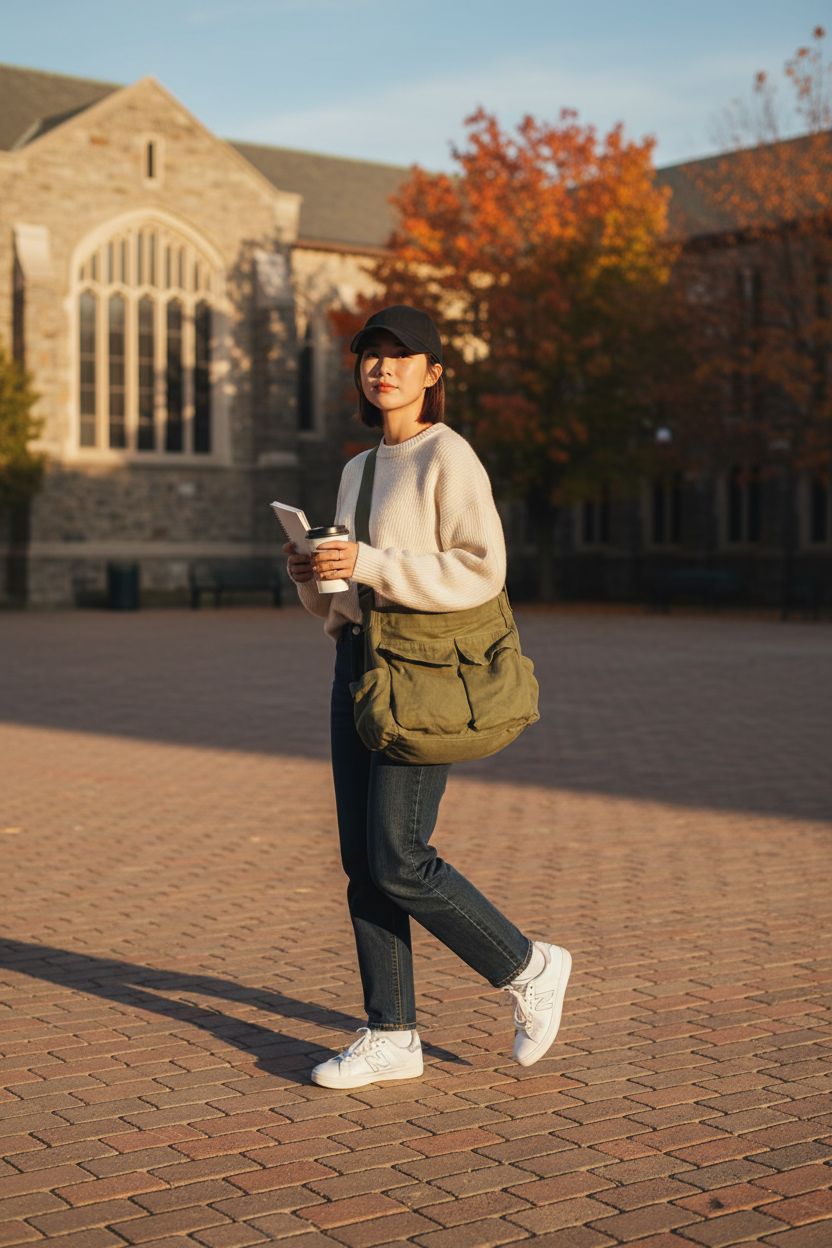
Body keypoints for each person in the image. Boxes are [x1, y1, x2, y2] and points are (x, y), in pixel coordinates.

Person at [283, 305, 571, 1089]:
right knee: (361, 861)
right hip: (358, 664)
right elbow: (350, 590)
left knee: (400, 857)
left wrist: (370, 563)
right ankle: (392, 1033)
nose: (383, 368)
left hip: (426, 673)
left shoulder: (451, 457)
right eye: (371, 356)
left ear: (433, 373)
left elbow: (481, 569)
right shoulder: (358, 468)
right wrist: (317, 576)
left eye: (401, 357)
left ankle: (529, 967)